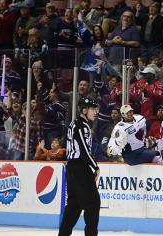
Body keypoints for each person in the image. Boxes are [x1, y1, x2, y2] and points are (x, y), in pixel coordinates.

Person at [59, 97, 100, 236]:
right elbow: (83, 150)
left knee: (74, 205)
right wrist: (95, 167)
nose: (96, 112)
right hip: (79, 167)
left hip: (74, 167)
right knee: (93, 203)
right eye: (93, 109)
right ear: (84, 110)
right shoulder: (81, 125)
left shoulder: (77, 123)